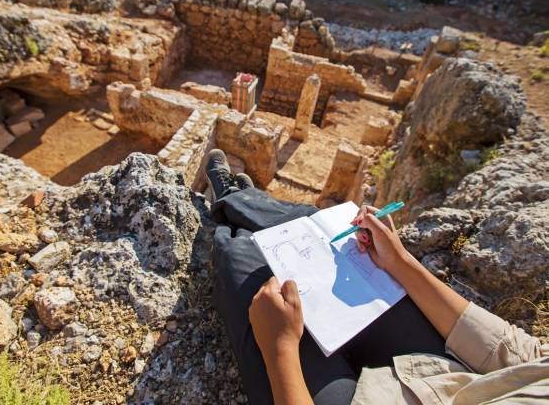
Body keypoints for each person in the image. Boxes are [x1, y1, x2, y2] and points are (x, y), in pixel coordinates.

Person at [205, 149, 549, 405]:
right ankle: (239, 198)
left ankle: (227, 211)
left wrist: (280, 348)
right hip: (443, 377)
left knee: (245, 265)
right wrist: (399, 260)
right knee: (324, 235)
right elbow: (521, 356)